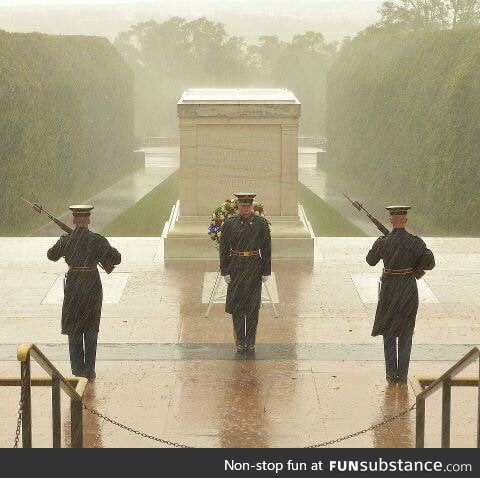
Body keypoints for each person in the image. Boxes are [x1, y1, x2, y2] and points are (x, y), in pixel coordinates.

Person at [47, 205, 121, 381]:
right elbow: (116, 258)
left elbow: (51, 255)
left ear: (73, 220)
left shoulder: (67, 240)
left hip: (73, 285)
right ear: (88, 220)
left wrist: (64, 241)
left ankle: (77, 370)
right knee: (90, 327)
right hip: (92, 285)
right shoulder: (97, 240)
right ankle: (90, 370)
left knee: (74, 327)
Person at [366, 206, 435, 383]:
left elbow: (370, 261)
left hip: (389, 290)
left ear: (390, 220)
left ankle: (391, 374)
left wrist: (380, 244)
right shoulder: (415, 242)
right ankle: (402, 375)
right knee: (405, 332)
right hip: (407, 289)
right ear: (405, 220)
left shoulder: (383, 241)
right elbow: (430, 262)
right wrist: (414, 264)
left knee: (388, 332)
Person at [219, 193, 271, 355]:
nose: (246, 209)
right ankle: (240, 341)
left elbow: (267, 249)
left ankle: (250, 341)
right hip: (236, 266)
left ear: (252, 206)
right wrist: (225, 271)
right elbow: (224, 249)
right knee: (237, 306)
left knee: (253, 306)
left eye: (248, 206)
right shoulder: (229, 224)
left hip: (254, 266)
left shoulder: (260, 224)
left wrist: (265, 271)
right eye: (243, 206)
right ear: (238, 207)